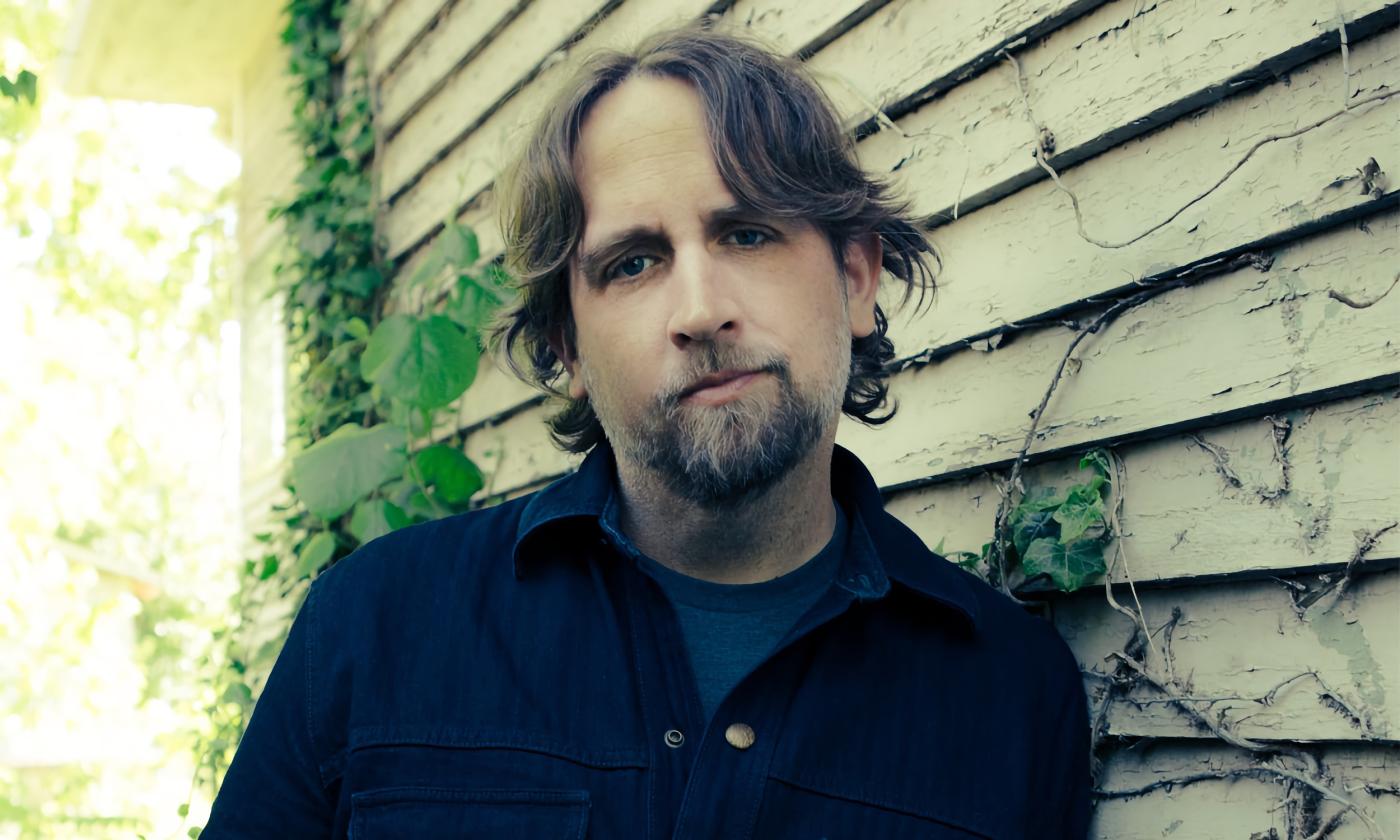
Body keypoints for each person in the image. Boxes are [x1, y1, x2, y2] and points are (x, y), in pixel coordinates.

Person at [206, 23, 1090, 838]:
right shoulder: (370, 628)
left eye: (746, 233)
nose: (700, 311)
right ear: (570, 347)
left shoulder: (1013, 696)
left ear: (856, 279)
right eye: (634, 263)